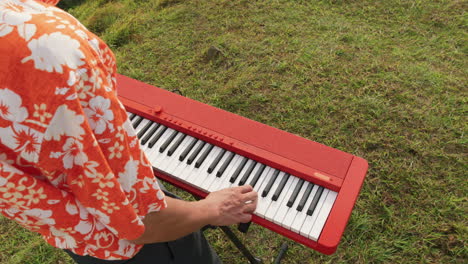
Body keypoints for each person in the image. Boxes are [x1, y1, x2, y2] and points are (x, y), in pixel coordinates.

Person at [0, 0, 258, 263]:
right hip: (142, 247)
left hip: (77, 237)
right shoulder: (47, 47)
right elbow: (141, 220)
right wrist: (210, 209)